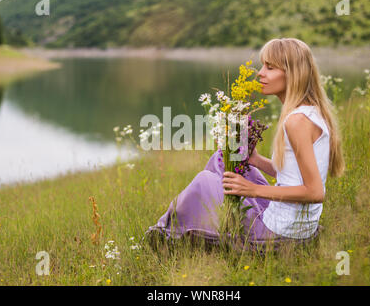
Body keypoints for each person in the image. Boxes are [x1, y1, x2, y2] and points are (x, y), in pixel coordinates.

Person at [145, 38, 345, 252]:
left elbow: (315, 192)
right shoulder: (309, 112)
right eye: (262, 66)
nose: (260, 73)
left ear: (292, 73)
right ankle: (216, 222)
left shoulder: (296, 121)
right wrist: (256, 160)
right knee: (221, 159)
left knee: (204, 181)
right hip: (293, 225)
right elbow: (293, 175)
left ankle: (163, 235)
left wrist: (253, 189)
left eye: (269, 67)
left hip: (279, 232)